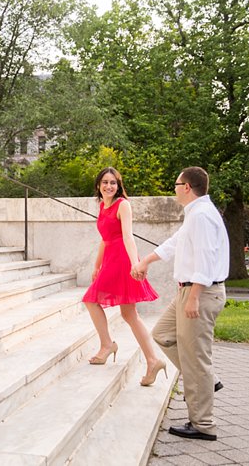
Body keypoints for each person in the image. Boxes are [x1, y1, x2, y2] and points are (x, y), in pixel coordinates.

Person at [131, 166, 229, 441]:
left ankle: (203, 424)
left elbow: (206, 259)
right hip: (187, 292)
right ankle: (207, 382)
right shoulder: (195, 214)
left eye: (176, 184)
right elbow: (174, 243)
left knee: (197, 359)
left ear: (187, 187)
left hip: (200, 292)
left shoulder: (202, 216)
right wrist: (146, 260)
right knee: (162, 334)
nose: (173, 188)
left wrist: (195, 296)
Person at [82, 167, 166, 387]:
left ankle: (107, 345)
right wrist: (96, 265)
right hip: (110, 259)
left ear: (119, 186)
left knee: (93, 301)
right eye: (105, 182)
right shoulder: (102, 206)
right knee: (129, 314)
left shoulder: (123, 205)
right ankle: (153, 359)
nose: (109, 186)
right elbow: (104, 239)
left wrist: (134, 264)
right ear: (98, 185)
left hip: (122, 260)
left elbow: (128, 237)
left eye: (113, 183)